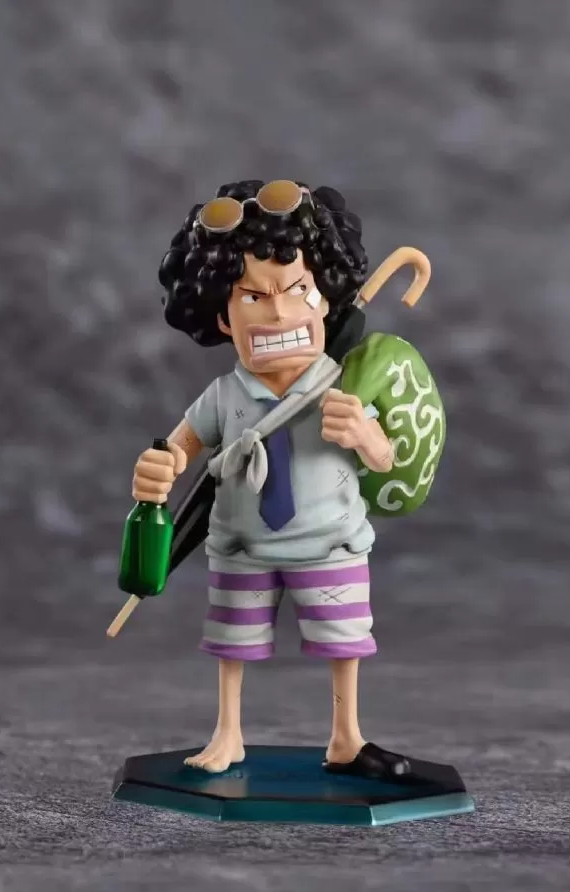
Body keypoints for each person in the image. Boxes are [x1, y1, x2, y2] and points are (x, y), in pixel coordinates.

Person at [128, 179, 419, 781]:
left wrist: (365, 435)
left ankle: (347, 735)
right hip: (243, 547)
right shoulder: (224, 396)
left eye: (298, 290)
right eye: (254, 297)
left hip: (330, 542)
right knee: (232, 644)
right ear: (223, 315)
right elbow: (180, 447)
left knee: (343, 642)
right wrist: (159, 467)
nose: (281, 313)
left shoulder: (344, 384)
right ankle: (228, 732)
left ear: (325, 299)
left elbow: (385, 460)